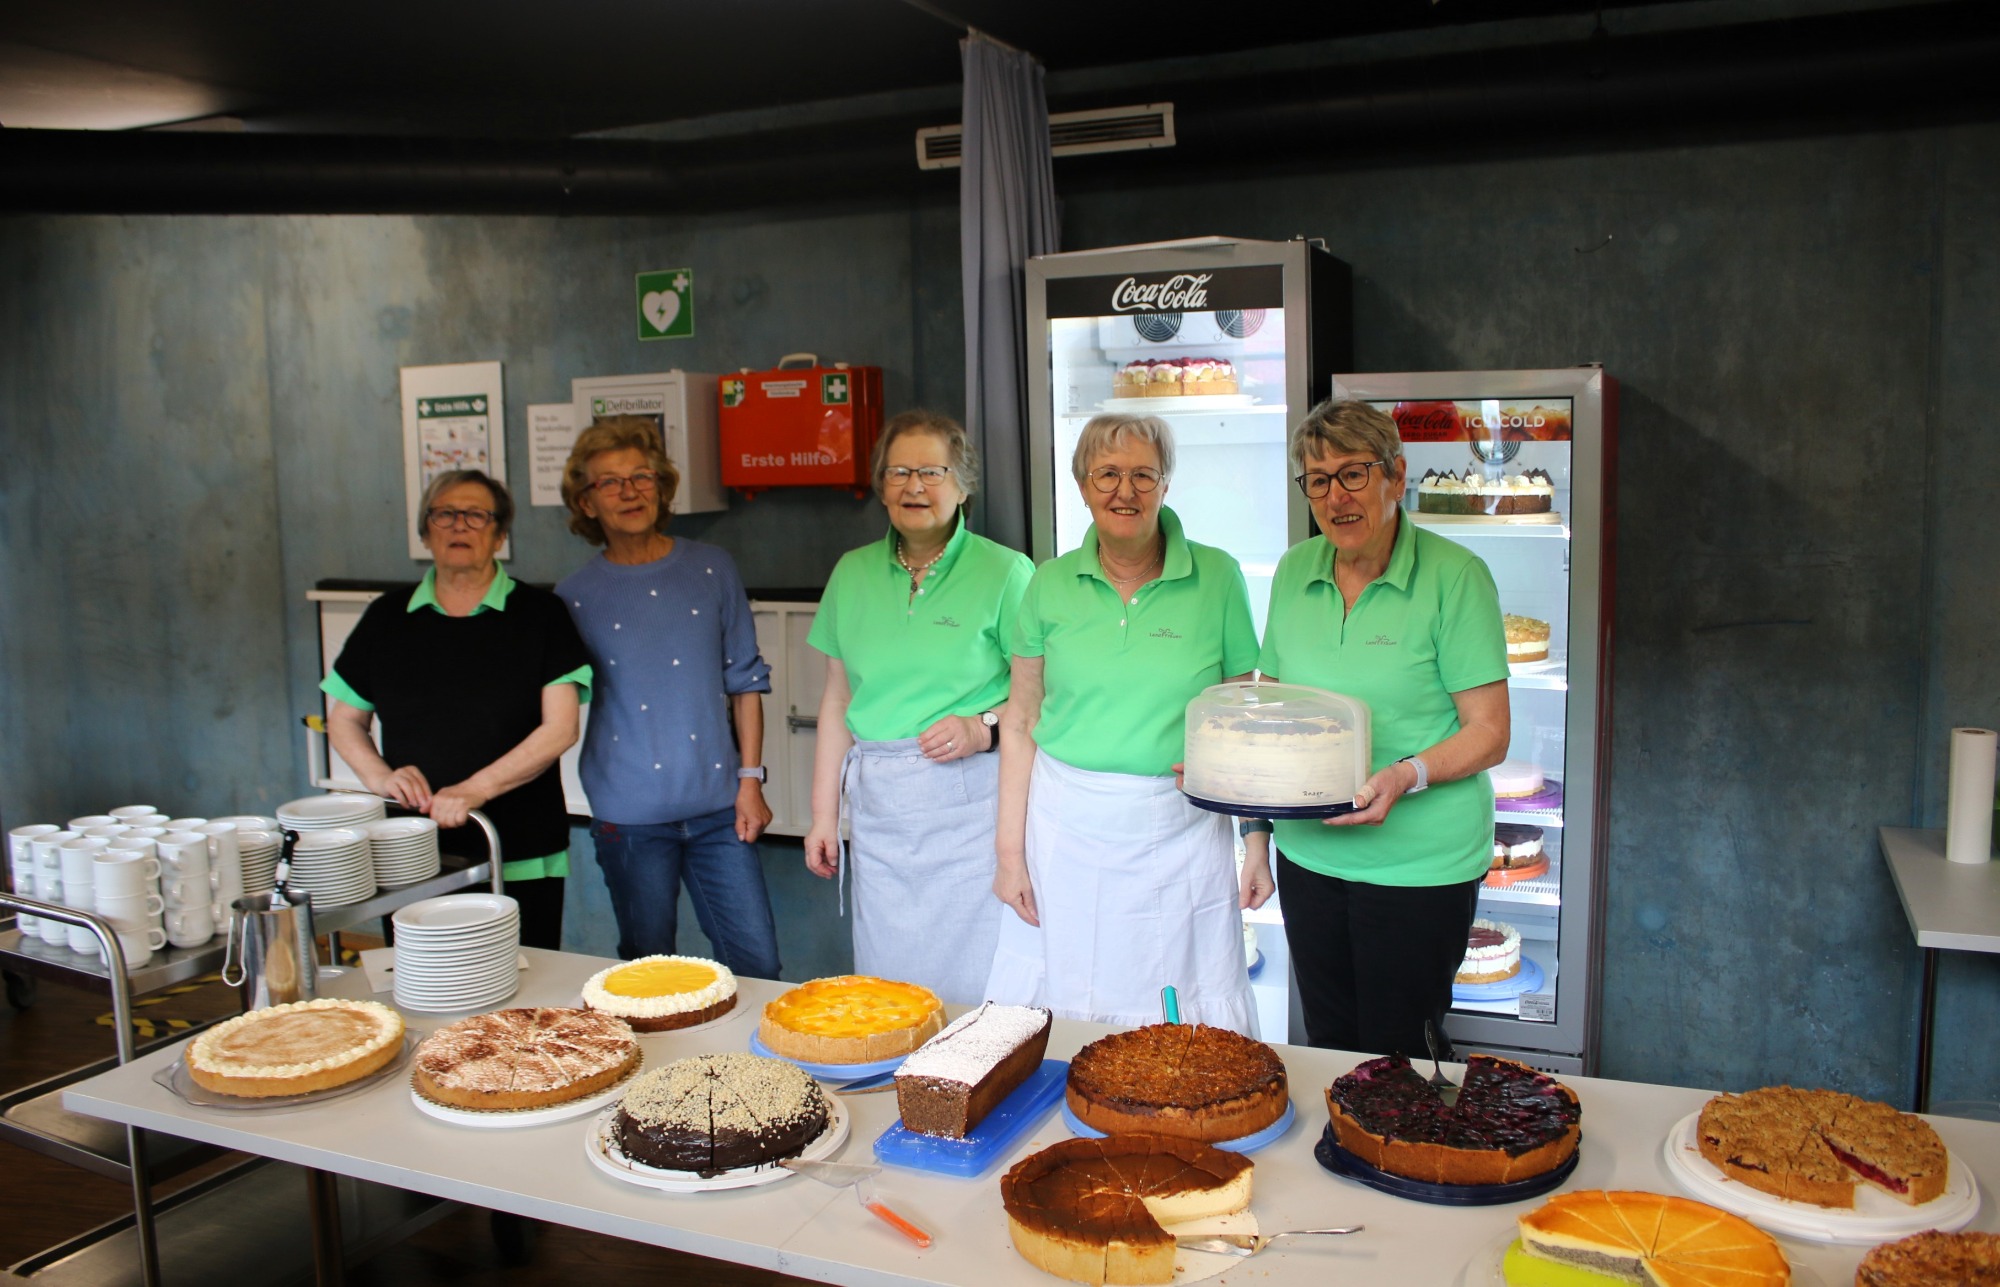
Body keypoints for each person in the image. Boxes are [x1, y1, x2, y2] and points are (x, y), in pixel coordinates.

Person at [985, 413, 1269, 1033]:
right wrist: (1009, 854)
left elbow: (1242, 718)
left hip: (1184, 827)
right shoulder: (1048, 584)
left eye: (1144, 474)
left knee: (1185, 1008)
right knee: (1065, 995)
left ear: (1167, 485)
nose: (1125, 491)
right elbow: (1020, 719)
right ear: (1083, 486)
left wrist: (1255, 842)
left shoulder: (1217, 576)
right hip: (1065, 825)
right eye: (1107, 474)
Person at [1256, 399, 1510, 1057]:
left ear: (1396, 477)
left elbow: (1489, 731)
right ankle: (1346, 1164)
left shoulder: (1456, 580)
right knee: (1330, 1045)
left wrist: (1407, 774)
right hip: (1310, 857)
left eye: (1353, 474)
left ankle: (1408, 1163)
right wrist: (1231, 769)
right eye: (1317, 479)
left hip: (1420, 866)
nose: (1335, 495)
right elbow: (1275, 704)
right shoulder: (1293, 573)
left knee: (1405, 1053)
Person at [801, 410, 1033, 1004]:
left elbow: (1041, 697)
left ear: (964, 484)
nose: (914, 486)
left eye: (932, 471)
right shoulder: (850, 574)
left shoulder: (1007, 572)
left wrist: (981, 727)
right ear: (880, 486)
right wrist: (824, 816)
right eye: (899, 471)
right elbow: (837, 700)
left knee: (979, 982)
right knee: (888, 983)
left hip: (973, 807)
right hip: (878, 809)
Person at [323, 470, 589, 950]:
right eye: (444, 514)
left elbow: (560, 729)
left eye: (476, 515)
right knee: (423, 984)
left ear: (500, 534)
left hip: (519, 845)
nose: (458, 526)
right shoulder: (387, 617)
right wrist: (382, 779)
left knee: (521, 997)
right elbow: (344, 720)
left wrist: (473, 790)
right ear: (426, 531)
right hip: (412, 850)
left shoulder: (541, 614)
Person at [556, 416, 781, 978]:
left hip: (719, 807)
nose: (629, 491)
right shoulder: (573, 597)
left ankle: (749, 1069)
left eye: (642, 476)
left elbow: (745, 683)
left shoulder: (712, 568)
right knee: (647, 971)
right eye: (610, 482)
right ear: (586, 503)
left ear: (662, 486)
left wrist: (750, 781)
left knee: (757, 965)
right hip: (627, 815)